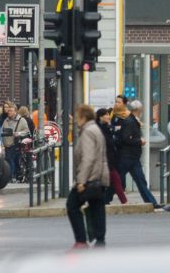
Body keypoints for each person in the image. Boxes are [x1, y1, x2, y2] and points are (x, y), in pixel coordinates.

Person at [68, 104, 110, 249]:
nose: (75, 120)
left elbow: (88, 158)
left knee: (72, 205)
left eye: (77, 116)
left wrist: (81, 180)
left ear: (83, 117)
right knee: (97, 206)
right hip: (99, 176)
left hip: (90, 177)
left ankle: (81, 240)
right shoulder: (96, 129)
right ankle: (100, 240)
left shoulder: (87, 132)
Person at [114, 100, 158, 208]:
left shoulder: (132, 120)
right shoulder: (130, 121)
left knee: (140, 180)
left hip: (132, 157)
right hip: (127, 157)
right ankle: (104, 199)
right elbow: (126, 138)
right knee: (116, 180)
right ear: (139, 110)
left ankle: (152, 202)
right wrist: (139, 141)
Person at [95, 108, 126, 204]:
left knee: (108, 182)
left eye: (108, 114)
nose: (108, 117)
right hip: (105, 159)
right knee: (116, 180)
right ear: (100, 117)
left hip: (110, 159)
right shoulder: (99, 129)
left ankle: (103, 201)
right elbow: (108, 142)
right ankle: (124, 201)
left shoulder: (107, 127)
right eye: (106, 115)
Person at [1, 102, 32, 182]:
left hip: (15, 143)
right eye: (8, 111)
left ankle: (11, 176)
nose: (9, 112)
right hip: (6, 144)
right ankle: (14, 175)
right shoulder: (6, 120)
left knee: (10, 159)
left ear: (15, 111)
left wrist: (18, 134)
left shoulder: (21, 120)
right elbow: (2, 130)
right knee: (10, 160)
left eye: (11, 110)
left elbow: (27, 131)